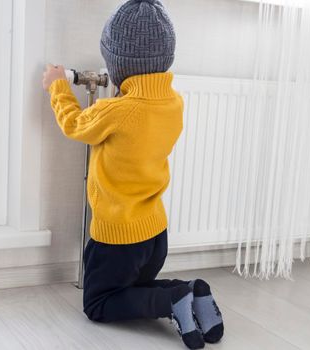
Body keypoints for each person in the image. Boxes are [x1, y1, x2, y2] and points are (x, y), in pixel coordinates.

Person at [42, 1, 223, 348]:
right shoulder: (173, 104)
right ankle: (190, 293)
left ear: (117, 63)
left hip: (117, 239)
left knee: (98, 303)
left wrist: (58, 86)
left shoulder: (117, 110)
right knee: (130, 290)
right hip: (154, 234)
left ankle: (170, 301)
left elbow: (75, 125)